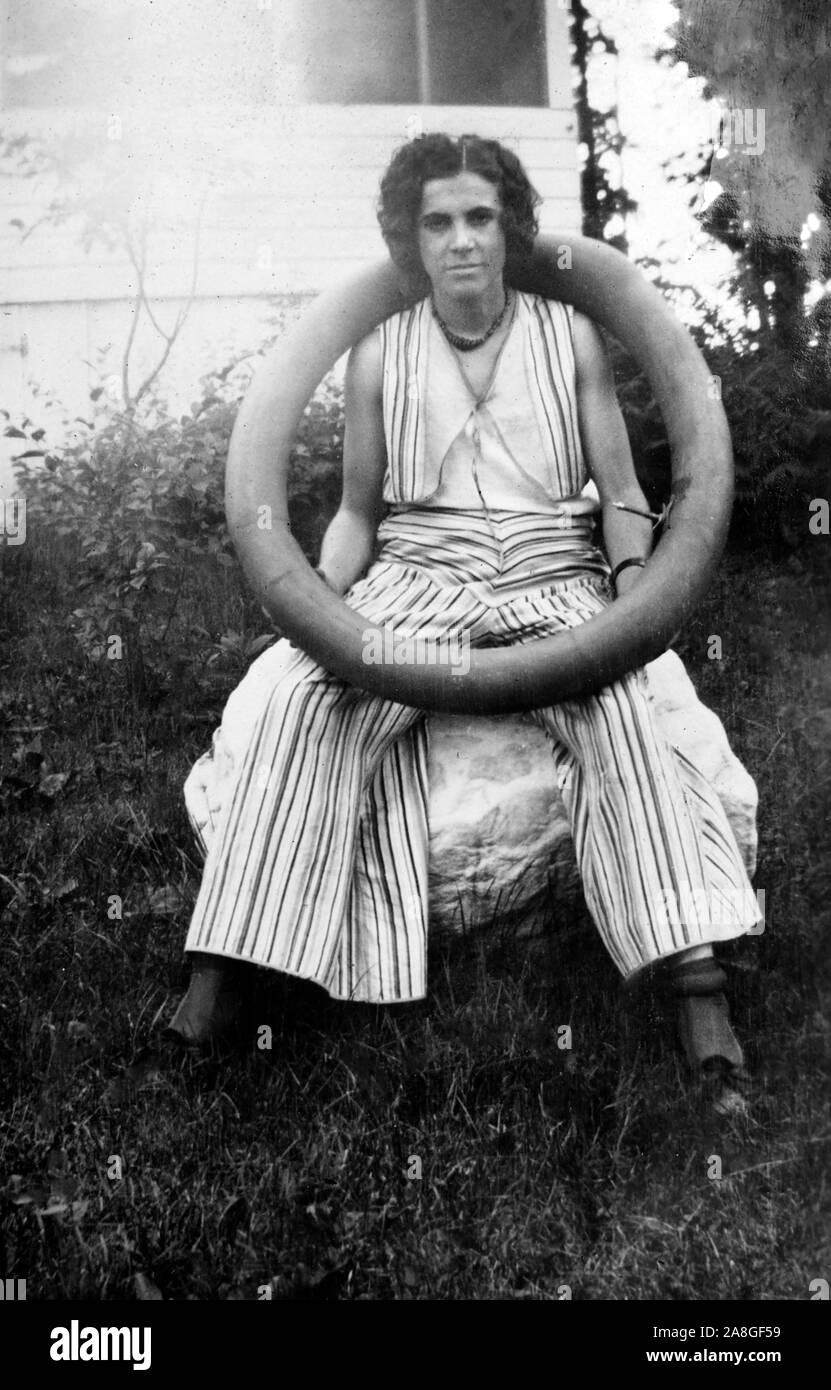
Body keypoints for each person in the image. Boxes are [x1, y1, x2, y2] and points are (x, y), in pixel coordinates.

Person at [167, 134, 760, 1083]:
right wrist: (325, 608)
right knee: (298, 704)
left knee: (626, 719)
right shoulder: (378, 349)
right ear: (411, 238)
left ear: (511, 227)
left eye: (479, 217)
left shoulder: (568, 332)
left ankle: (699, 1003)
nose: (460, 242)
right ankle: (222, 976)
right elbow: (361, 511)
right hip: (419, 573)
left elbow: (616, 494)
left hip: (549, 574)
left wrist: (630, 587)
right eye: (436, 222)